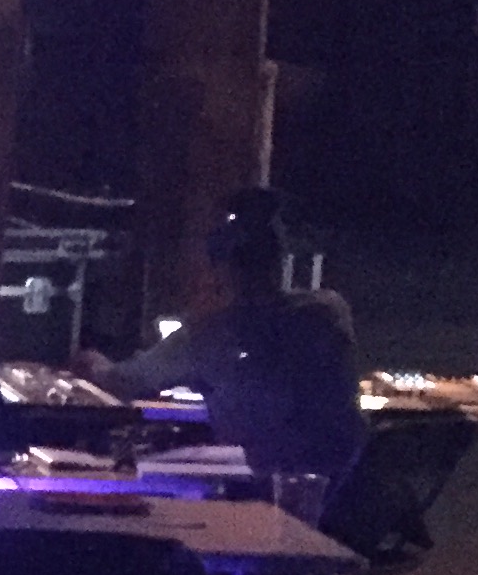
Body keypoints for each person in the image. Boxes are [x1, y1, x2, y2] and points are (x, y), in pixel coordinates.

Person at [76, 190, 362, 491]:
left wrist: (92, 363)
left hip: (271, 481)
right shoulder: (329, 310)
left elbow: (120, 382)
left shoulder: (209, 334)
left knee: (134, 472)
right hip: (347, 483)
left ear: (220, 265)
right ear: (279, 259)